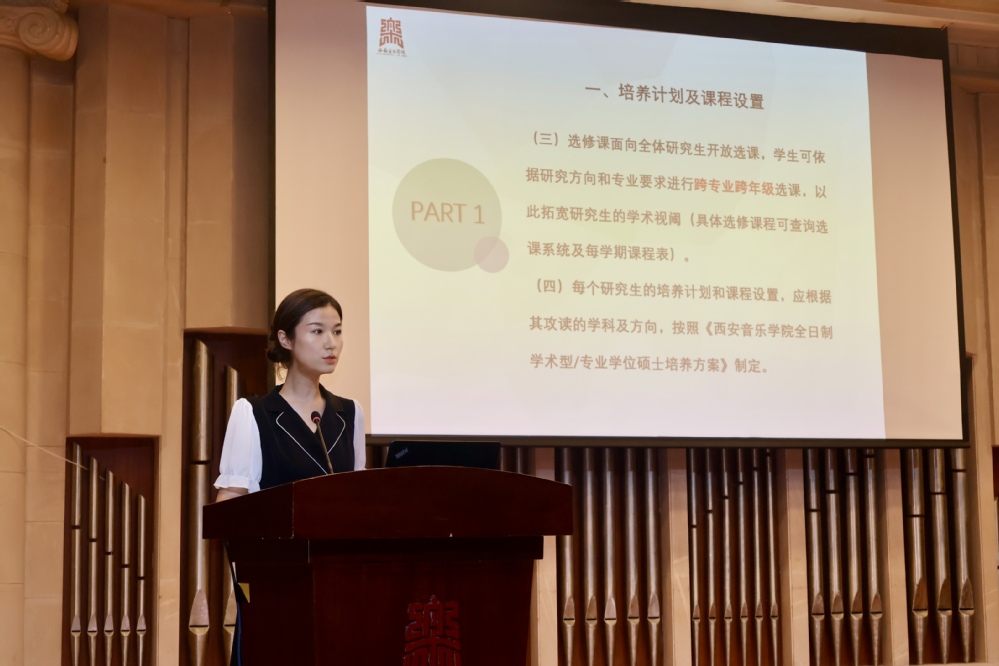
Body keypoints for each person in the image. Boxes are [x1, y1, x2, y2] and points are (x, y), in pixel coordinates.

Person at [214, 288, 366, 501]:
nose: (331, 343)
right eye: (317, 331)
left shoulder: (350, 413)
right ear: (285, 339)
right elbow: (231, 497)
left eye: (337, 332)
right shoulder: (254, 414)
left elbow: (358, 494)